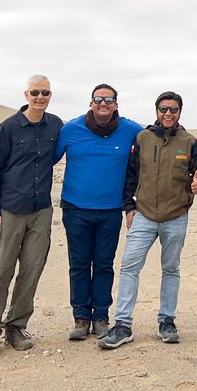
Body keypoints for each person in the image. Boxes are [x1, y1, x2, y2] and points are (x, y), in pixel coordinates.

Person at [98, 91, 197, 349]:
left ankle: (167, 321)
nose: (168, 114)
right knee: (129, 268)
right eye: (163, 109)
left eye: (173, 109)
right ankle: (123, 325)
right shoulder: (143, 139)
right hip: (144, 215)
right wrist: (129, 207)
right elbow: (131, 175)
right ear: (157, 111)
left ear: (180, 112)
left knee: (171, 269)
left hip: (176, 216)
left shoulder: (189, 141)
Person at [0, 74, 63, 363]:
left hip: (40, 210)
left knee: (32, 269)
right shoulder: (9, 127)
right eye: (35, 92)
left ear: (50, 95)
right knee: (1, 270)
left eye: (45, 93)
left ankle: (17, 327)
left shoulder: (55, 125)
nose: (40, 97)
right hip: (10, 209)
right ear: (26, 94)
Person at [55, 84, 144, 342]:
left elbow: (156, 136)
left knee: (104, 265)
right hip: (75, 208)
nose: (103, 104)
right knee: (79, 264)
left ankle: (101, 317)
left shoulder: (130, 130)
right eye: (98, 99)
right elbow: (43, 158)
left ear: (116, 104)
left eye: (108, 100)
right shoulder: (71, 129)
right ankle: (81, 318)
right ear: (91, 103)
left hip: (110, 210)